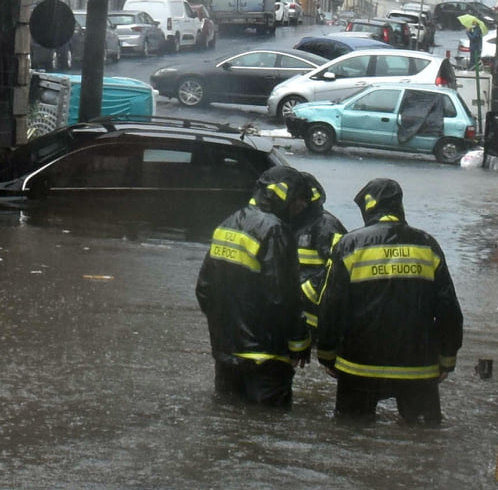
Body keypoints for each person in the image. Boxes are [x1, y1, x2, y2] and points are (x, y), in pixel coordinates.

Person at [315, 178, 462, 425]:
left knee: (350, 432)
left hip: (358, 366)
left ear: (368, 207)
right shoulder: (427, 245)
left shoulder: (350, 245)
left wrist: (327, 355)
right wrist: (447, 359)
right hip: (418, 366)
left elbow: (331, 306)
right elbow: (449, 309)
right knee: (423, 436)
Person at [194, 166, 306, 407]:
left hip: (225, 354)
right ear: (284, 195)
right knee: (268, 423)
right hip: (265, 358)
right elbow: (281, 297)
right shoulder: (275, 229)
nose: (300, 208)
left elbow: (203, 289)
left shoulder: (227, 224)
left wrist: (225, 331)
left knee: (227, 418)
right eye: (298, 201)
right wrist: (298, 344)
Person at [286, 169, 348, 344]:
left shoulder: (325, 225)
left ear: (304, 200)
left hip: (314, 316)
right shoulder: (293, 223)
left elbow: (340, 269)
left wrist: (304, 292)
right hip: (297, 313)